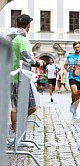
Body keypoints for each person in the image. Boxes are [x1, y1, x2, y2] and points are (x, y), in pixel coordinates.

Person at [7, 14, 41, 143]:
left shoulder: (11, 38)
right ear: (28, 26)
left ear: (16, 25)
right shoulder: (22, 39)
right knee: (31, 107)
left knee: (15, 107)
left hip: (11, 77)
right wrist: (37, 63)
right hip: (20, 77)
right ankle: (14, 130)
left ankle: (15, 133)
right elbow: (26, 57)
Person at [64, 41, 80, 119]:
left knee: (78, 96)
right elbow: (65, 64)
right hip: (72, 77)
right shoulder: (70, 56)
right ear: (73, 48)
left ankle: (75, 111)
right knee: (74, 92)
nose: (77, 49)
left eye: (78, 47)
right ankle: (72, 104)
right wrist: (67, 68)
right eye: (75, 47)